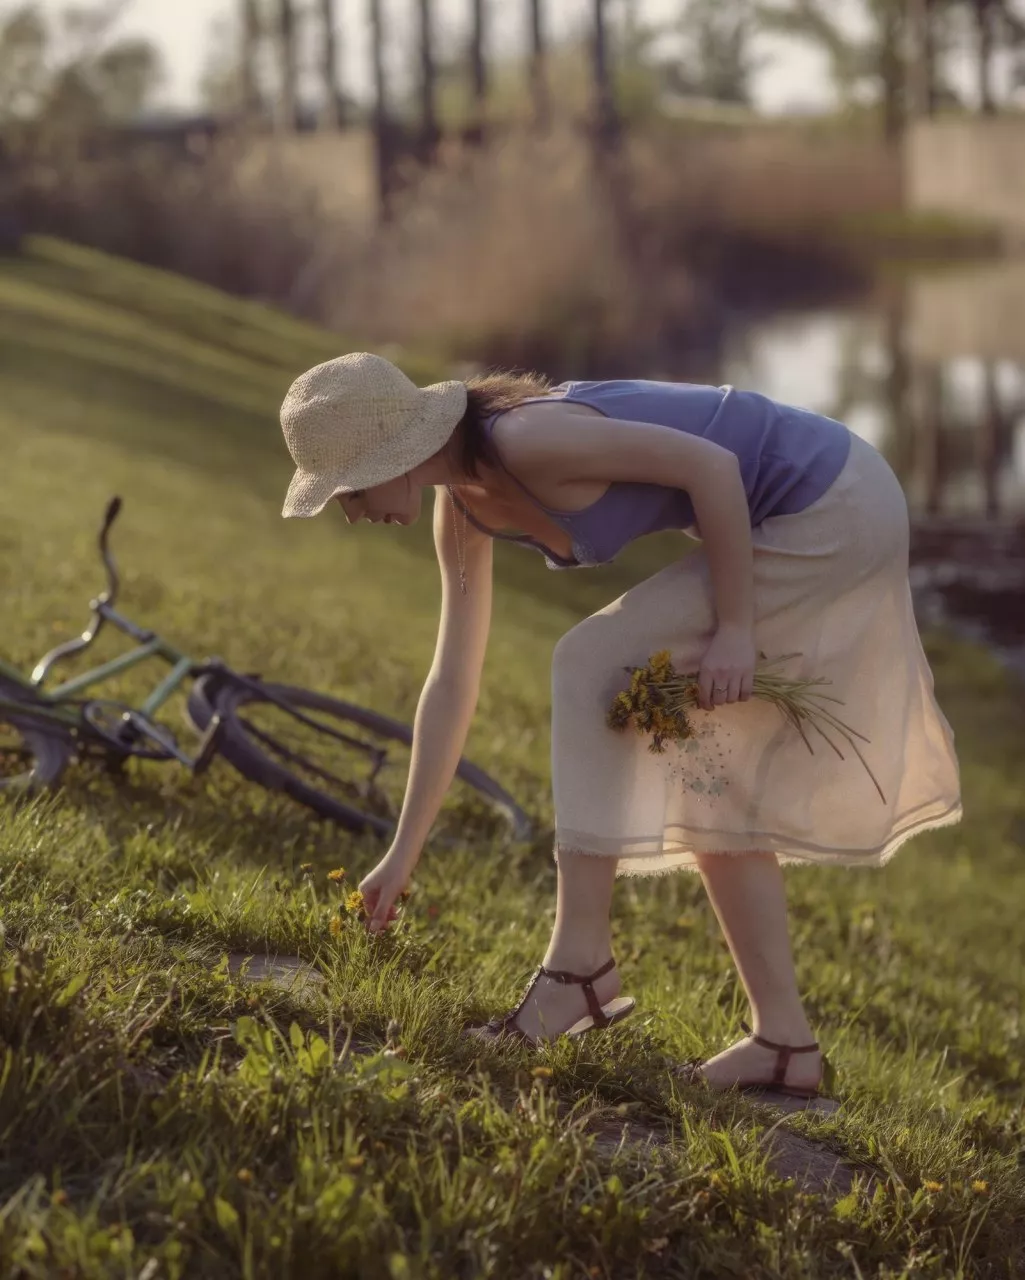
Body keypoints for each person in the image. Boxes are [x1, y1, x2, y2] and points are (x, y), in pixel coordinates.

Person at [279, 351, 962, 1098]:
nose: (349, 510)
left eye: (347, 489)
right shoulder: (465, 503)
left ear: (394, 454)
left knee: (591, 663)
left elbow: (710, 468)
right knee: (707, 779)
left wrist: (734, 628)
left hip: (833, 502)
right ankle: (784, 1046)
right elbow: (452, 679)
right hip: (806, 508)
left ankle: (578, 969)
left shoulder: (525, 443)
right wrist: (400, 857)